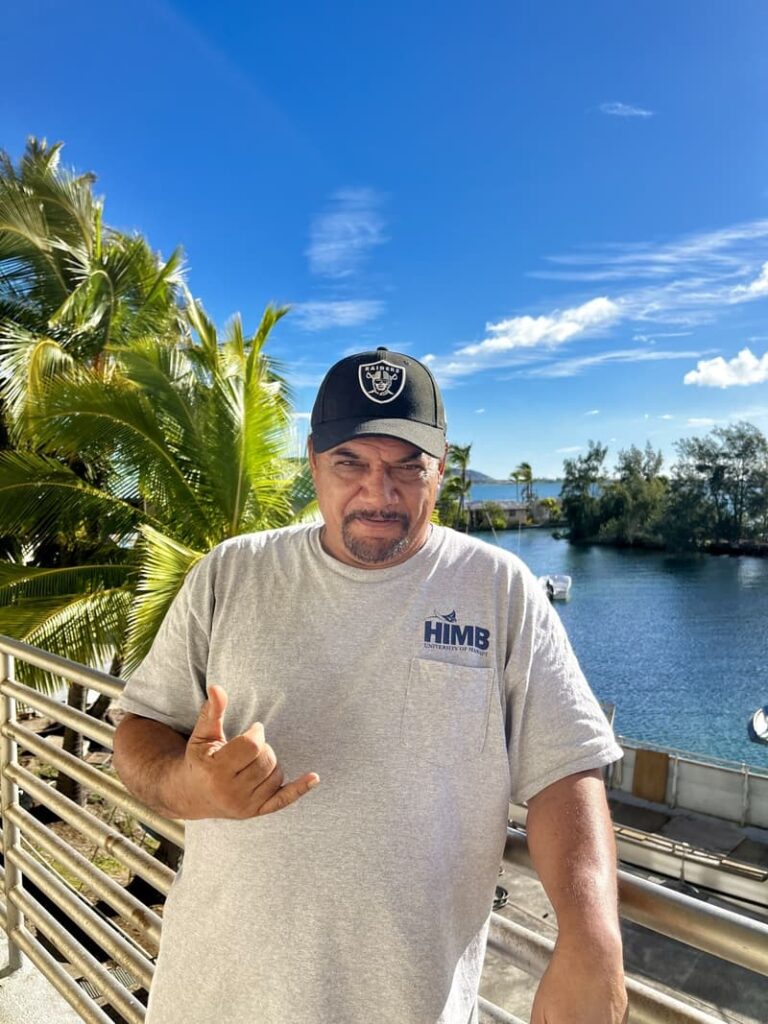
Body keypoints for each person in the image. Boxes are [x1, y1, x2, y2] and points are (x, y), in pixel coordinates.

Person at [113, 346, 628, 1024]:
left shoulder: (500, 591)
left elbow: (566, 772)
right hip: (211, 1001)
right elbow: (139, 729)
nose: (379, 494)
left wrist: (592, 938)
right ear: (313, 462)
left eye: (407, 466)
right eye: (350, 463)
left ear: (441, 467)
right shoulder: (229, 574)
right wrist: (191, 785)